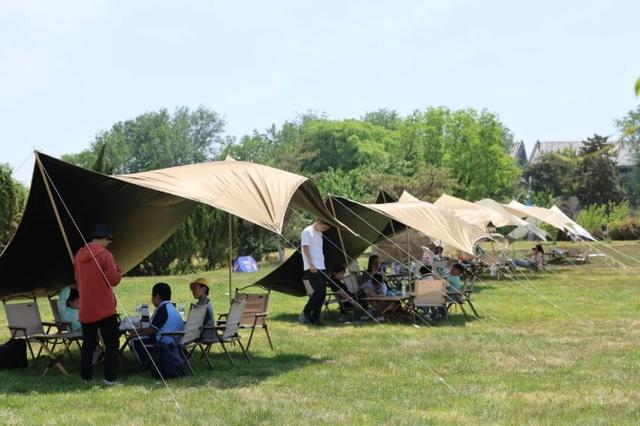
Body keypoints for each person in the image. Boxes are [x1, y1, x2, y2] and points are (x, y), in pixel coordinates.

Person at [74, 223, 122, 385]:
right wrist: (119, 272)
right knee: (111, 343)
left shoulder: (78, 255)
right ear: (104, 238)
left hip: (86, 308)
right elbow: (113, 280)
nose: (108, 244)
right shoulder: (105, 255)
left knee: (88, 344)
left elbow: (77, 279)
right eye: (108, 241)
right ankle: (110, 378)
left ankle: (86, 377)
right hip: (105, 308)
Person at [130, 283, 184, 365]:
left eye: (152, 296)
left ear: (157, 296)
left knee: (135, 341)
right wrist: (140, 330)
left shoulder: (162, 309)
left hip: (164, 340)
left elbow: (152, 330)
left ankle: (147, 365)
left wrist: (136, 334)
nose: (151, 299)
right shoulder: (170, 307)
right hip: (174, 339)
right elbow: (154, 328)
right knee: (141, 337)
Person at [300, 219, 330, 325]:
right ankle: (306, 312)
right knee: (318, 291)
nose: (324, 230)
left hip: (321, 266)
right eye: (324, 227)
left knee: (322, 294)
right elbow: (305, 248)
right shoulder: (307, 231)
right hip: (311, 266)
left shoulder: (319, 233)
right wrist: (311, 264)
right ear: (318, 223)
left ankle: (315, 318)